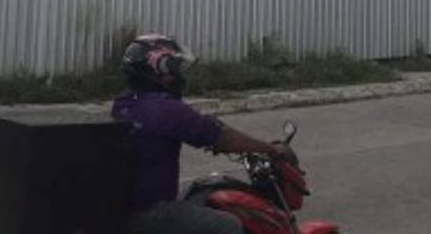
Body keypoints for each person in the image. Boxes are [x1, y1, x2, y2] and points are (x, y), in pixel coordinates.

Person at [112, 34, 298, 234]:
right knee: (229, 225)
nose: (178, 75)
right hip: (152, 211)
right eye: (174, 68)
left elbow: (199, 130)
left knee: (199, 195)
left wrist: (214, 139)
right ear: (157, 69)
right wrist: (270, 148)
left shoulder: (125, 103)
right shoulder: (166, 109)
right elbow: (221, 135)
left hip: (127, 207)